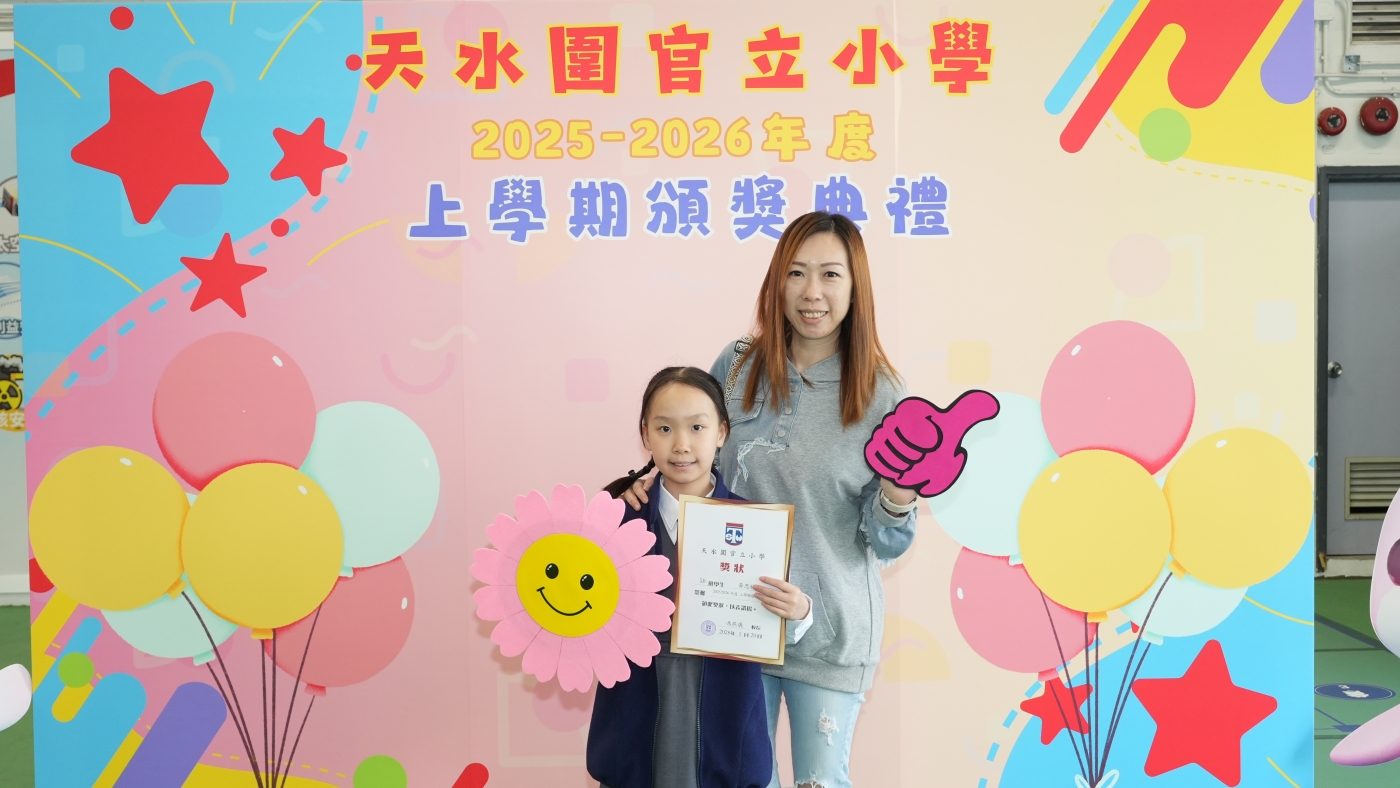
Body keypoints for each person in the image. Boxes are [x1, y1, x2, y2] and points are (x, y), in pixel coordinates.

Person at [620, 213, 918, 788]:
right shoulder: (737, 366)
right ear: (777, 281)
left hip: (826, 634)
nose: (812, 292)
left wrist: (899, 497)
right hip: (733, 627)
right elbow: (695, 458)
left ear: (855, 286)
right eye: (797, 273)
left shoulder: (882, 391)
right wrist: (645, 487)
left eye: (830, 274)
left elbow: (888, 541)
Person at [587, 367, 812, 788]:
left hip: (723, 719)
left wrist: (799, 611)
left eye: (697, 427)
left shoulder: (756, 526)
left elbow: (779, 630)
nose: (681, 445)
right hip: (635, 715)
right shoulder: (618, 520)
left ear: (721, 432)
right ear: (645, 434)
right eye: (665, 428)